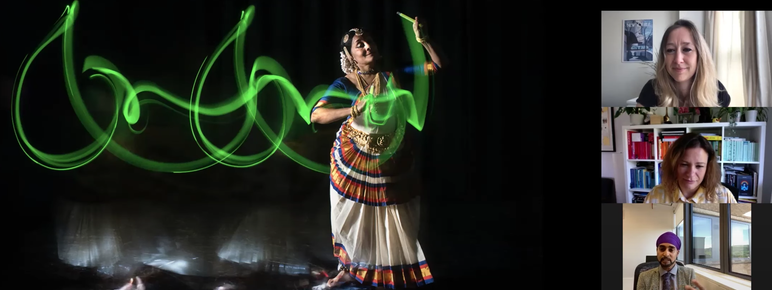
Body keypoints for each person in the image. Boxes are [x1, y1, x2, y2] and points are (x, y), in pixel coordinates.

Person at [309, 16, 442, 289]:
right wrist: (352, 109)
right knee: (356, 220)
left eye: (369, 41)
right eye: (359, 44)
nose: (367, 46)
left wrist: (424, 40)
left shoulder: (392, 76)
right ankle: (349, 269)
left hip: (390, 159)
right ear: (350, 56)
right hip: (354, 160)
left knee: (390, 220)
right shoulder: (343, 84)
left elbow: (437, 66)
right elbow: (317, 116)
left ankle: (389, 271)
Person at [635, 19, 731, 107]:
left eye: (687, 49)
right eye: (670, 50)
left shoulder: (717, 89)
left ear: (700, 55)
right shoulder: (652, 88)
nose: (678, 59)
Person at [644, 132, 738, 203]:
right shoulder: (654, 195)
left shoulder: (725, 196)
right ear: (674, 164)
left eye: (699, 166)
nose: (690, 173)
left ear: (708, 168)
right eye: (684, 164)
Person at [636, 232, 705, 290]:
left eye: (671, 250)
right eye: (662, 249)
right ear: (657, 251)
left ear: (677, 253)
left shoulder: (689, 274)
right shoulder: (644, 277)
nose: (666, 254)